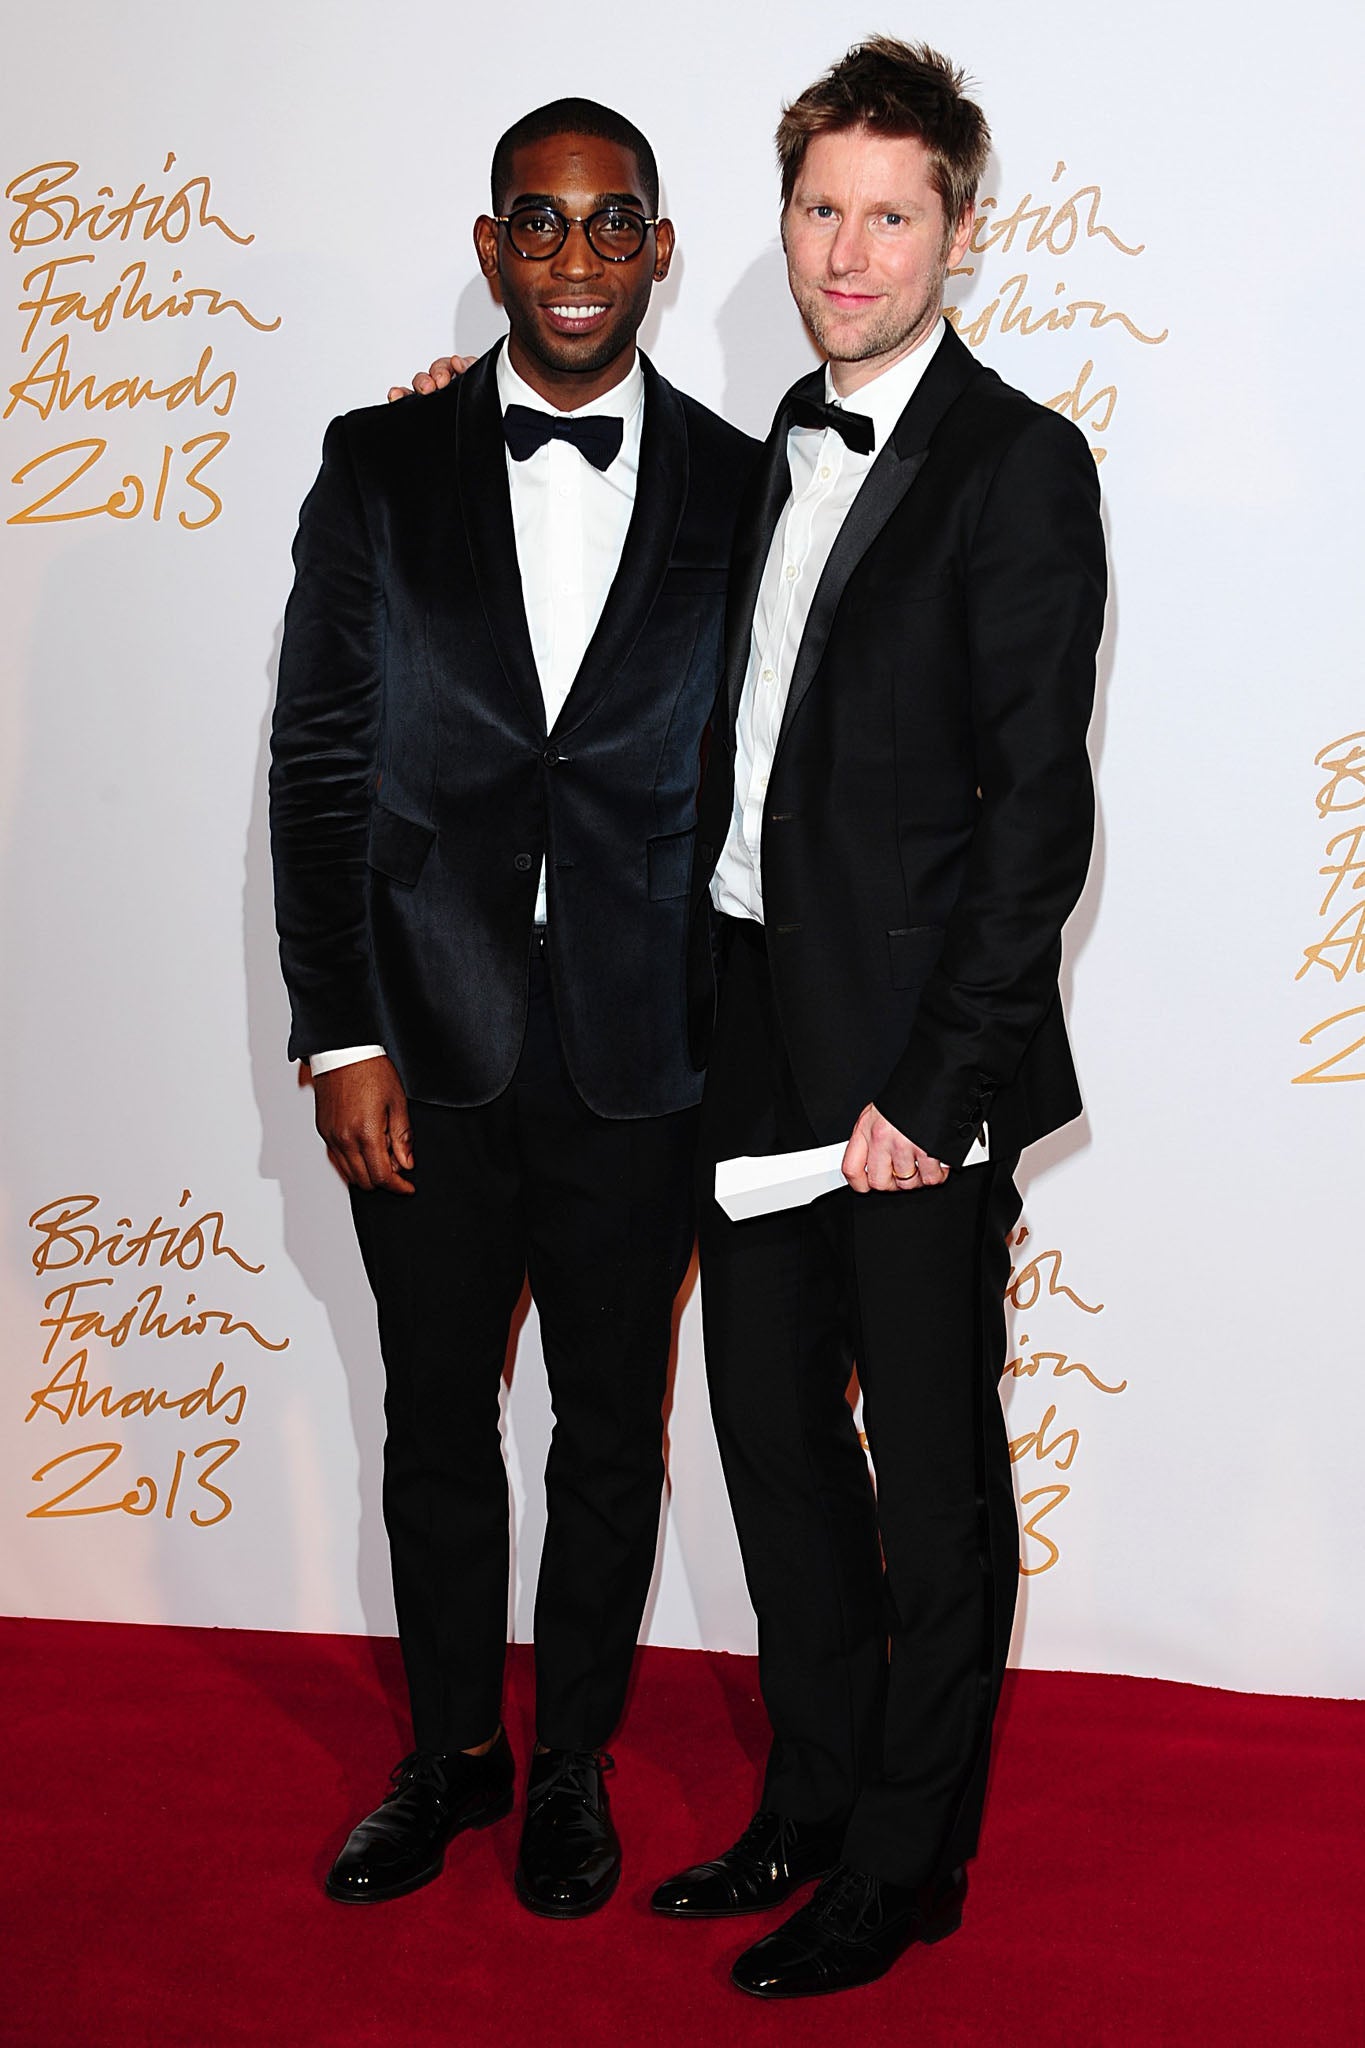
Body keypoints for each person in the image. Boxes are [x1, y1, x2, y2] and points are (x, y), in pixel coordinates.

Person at [646, 38, 1107, 1999]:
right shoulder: (772, 435)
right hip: (747, 1021)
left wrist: (937, 1085)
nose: (847, 250)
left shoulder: (1018, 465)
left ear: (957, 232)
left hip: (913, 1058)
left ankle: (907, 1868)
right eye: (819, 207)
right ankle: (811, 1799)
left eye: (889, 215)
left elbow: (1037, 815)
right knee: (767, 1442)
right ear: (782, 221)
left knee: (927, 1478)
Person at [269, 98, 756, 1919]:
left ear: (657, 249)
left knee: (611, 1432)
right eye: (537, 223)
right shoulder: (378, 463)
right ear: (491, 247)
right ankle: (453, 1754)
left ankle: (570, 1772)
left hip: (648, 1045)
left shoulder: (740, 485)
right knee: (432, 1420)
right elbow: (319, 760)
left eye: (611, 222)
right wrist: (340, 1031)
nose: (574, 258)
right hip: (424, 1037)